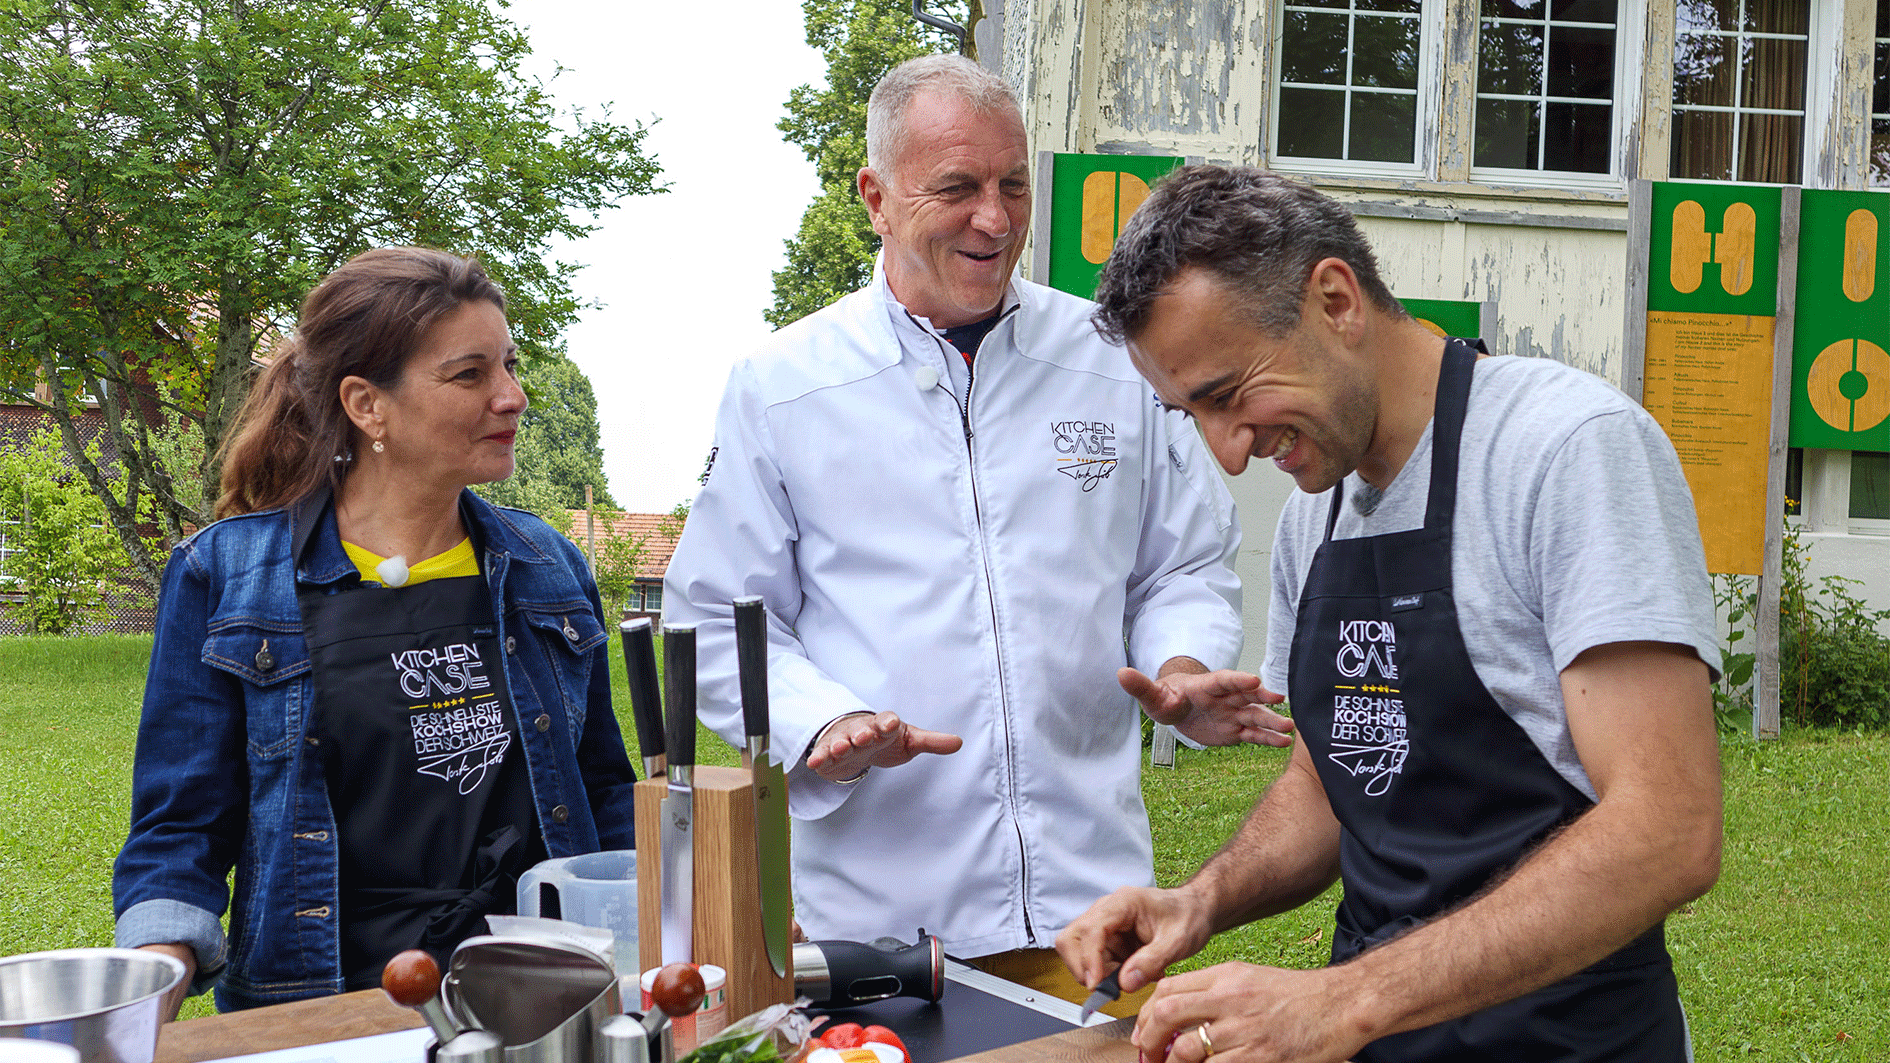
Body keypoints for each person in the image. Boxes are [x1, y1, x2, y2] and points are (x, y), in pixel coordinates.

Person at [662, 56, 1291, 1013]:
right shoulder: (784, 385)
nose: (994, 220)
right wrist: (822, 720)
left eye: (1012, 185)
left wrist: (1180, 662)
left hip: (1092, 916)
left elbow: (1184, 560)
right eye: (955, 188)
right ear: (875, 196)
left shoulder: (1114, 361)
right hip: (879, 931)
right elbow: (715, 613)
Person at [1054, 165, 1723, 1061]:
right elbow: (1334, 782)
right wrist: (1200, 900)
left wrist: (1347, 999)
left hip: (1569, 1040)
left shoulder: (1565, 452)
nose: (1229, 451)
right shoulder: (1314, 513)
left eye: (1228, 393)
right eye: (1191, 415)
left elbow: (1668, 830)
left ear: (1336, 299)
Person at [112, 247, 639, 1016]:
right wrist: (144, 991)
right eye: (471, 374)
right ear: (367, 404)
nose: (513, 396)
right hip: (320, 1006)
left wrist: (694, 906)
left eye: (510, 366)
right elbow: (180, 828)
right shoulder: (224, 574)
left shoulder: (545, 566)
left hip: (543, 995)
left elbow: (601, 790)